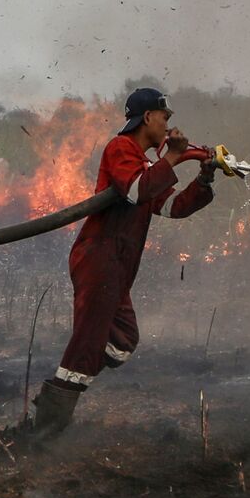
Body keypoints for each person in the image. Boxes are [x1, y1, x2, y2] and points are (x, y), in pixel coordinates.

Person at [16, 88, 219, 446]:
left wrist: (203, 178)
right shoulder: (120, 149)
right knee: (86, 345)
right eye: (165, 117)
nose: (169, 124)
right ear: (148, 118)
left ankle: (59, 395)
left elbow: (172, 208)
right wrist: (174, 157)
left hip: (118, 265)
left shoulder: (145, 164)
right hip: (99, 258)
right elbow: (135, 192)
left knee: (122, 341)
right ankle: (43, 433)